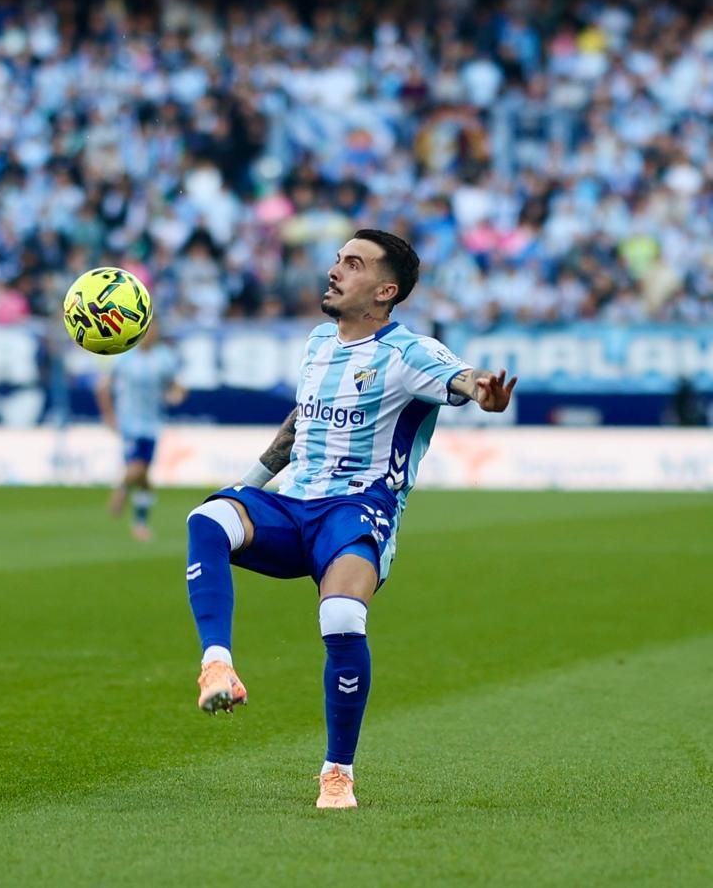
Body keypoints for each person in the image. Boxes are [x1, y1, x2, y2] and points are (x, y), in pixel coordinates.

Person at [183, 229, 516, 809]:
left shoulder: (409, 352)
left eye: (354, 264)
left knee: (340, 617)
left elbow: (461, 378)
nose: (335, 270)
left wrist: (481, 390)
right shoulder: (319, 341)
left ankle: (337, 772)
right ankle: (217, 667)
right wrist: (248, 486)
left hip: (358, 510)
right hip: (294, 506)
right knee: (208, 520)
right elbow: (300, 423)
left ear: (386, 291)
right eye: (338, 259)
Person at [96, 322, 187, 541]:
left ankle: (140, 523)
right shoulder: (124, 356)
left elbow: (176, 385)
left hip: (152, 423)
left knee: (144, 474)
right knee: (136, 467)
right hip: (129, 422)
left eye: (154, 330)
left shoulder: (164, 357)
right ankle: (121, 491)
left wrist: (176, 395)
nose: (150, 334)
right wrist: (108, 415)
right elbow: (103, 387)